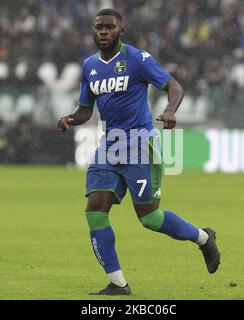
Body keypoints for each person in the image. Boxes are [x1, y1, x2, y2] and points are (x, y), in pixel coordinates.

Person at [57, 8, 220, 295]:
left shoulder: (137, 59)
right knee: (95, 209)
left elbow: (174, 86)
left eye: (109, 26)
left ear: (122, 29)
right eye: (99, 27)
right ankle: (118, 283)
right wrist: (70, 119)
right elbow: (85, 110)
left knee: (149, 219)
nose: (103, 31)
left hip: (140, 146)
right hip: (110, 146)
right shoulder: (89, 66)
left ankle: (204, 238)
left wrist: (169, 110)